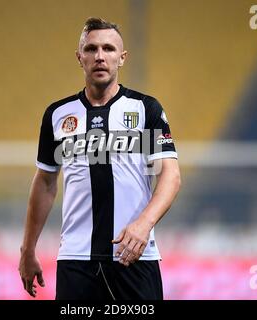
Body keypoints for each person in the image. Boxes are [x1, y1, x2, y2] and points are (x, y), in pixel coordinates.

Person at [18, 17, 181, 300]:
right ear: (79, 58)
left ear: (122, 58)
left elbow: (171, 174)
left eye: (108, 48)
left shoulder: (146, 109)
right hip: (76, 259)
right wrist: (28, 249)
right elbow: (45, 182)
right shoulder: (57, 115)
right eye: (91, 49)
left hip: (134, 256)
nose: (100, 56)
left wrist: (144, 224)